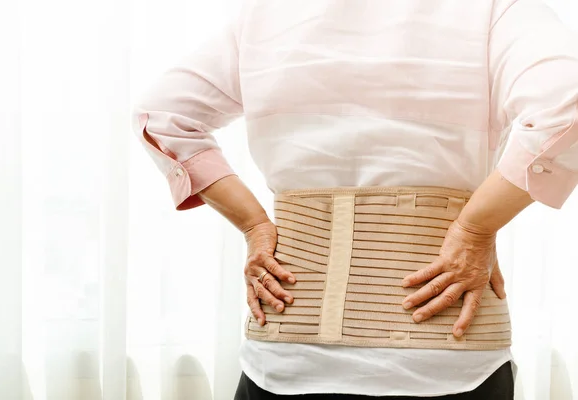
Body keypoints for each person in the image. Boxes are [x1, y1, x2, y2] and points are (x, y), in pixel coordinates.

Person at [131, 0, 578, 398]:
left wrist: (255, 225)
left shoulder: (267, 14)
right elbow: (567, 104)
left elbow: (163, 115)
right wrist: (474, 228)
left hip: (285, 357)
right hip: (442, 363)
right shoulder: (497, 10)